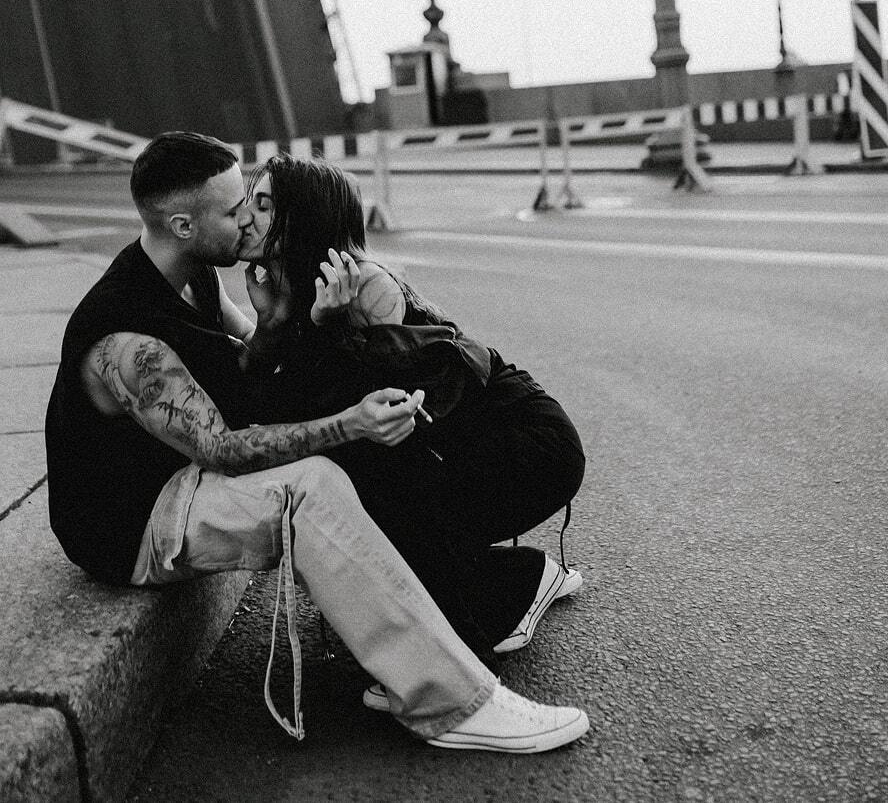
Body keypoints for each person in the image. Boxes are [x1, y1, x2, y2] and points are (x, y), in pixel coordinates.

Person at [44, 131, 589, 754]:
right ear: (183, 225)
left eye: (253, 201)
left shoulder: (195, 277)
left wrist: (276, 323)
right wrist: (350, 422)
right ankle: (452, 704)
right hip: (133, 519)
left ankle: (483, 602)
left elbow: (247, 371)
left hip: (181, 469)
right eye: (234, 209)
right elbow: (220, 448)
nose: (246, 218)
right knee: (311, 486)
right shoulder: (126, 340)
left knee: (346, 470)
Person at [237, 154, 586, 684]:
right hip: (458, 448)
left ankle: (483, 635)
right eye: (250, 202)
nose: (246, 217)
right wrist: (271, 322)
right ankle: (508, 581)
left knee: (382, 488)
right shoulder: (290, 289)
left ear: (304, 218)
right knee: (373, 490)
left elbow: (396, 410)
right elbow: (263, 404)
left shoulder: (367, 288)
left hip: (527, 444)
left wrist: (326, 326)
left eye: (264, 205)